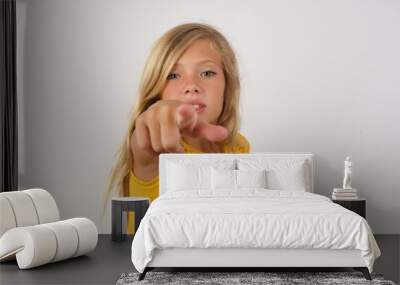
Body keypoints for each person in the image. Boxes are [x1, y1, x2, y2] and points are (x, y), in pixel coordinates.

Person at [104, 22, 251, 234]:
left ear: (228, 85)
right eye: (173, 75)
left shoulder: (238, 145)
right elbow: (145, 140)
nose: (191, 85)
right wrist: (158, 117)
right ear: (157, 92)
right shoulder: (153, 149)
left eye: (207, 73)